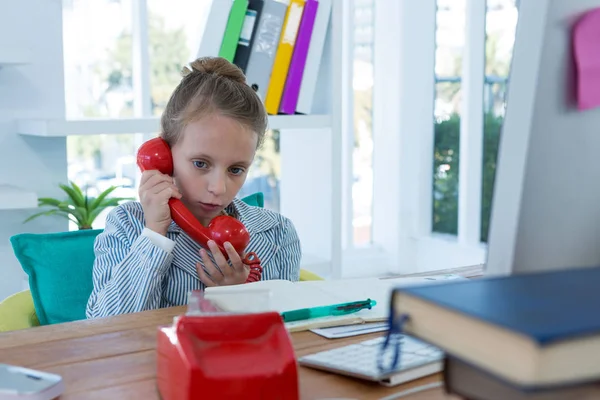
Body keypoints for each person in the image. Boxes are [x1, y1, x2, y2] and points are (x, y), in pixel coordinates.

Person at [86, 57, 302, 319]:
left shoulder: (278, 234)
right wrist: (154, 235)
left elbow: (289, 335)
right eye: (201, 163)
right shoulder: (127, 225)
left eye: (236, 169)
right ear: (164, 153)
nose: (218, 187)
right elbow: (105, 328)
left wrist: (237, 298)